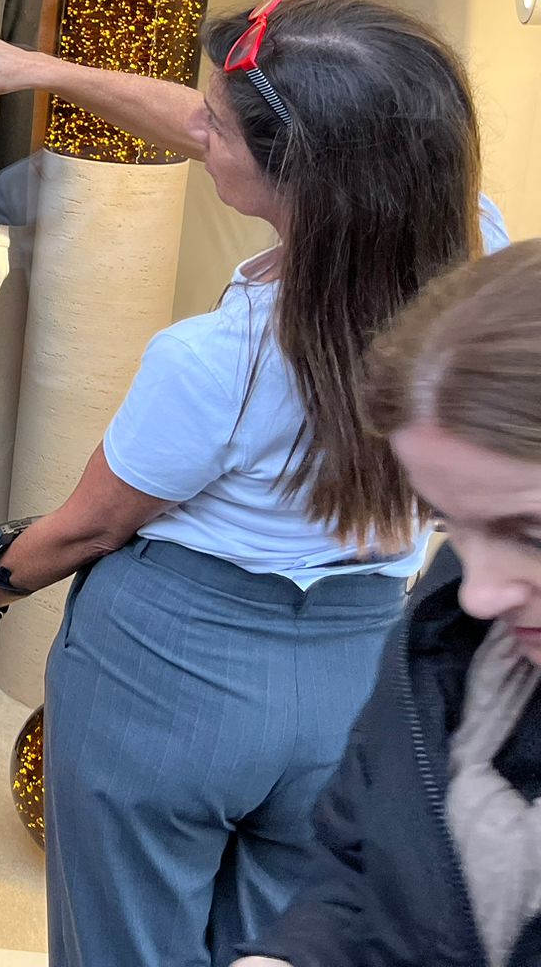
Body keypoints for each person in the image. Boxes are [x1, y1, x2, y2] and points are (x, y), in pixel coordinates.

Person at [0, 0, 506, 966]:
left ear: (295, 175)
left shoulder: (216, 360)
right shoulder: (475, 250)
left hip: (168, 678)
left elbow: (85, 530)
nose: (196, 127)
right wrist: (37, 68)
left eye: (216, 125)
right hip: (350, 674)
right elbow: (234, 129)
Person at [236, 239, 541, 967]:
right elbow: (365, 862)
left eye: (531, 534)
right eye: (449, 526)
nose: (478, 590)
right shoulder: (450, 632)